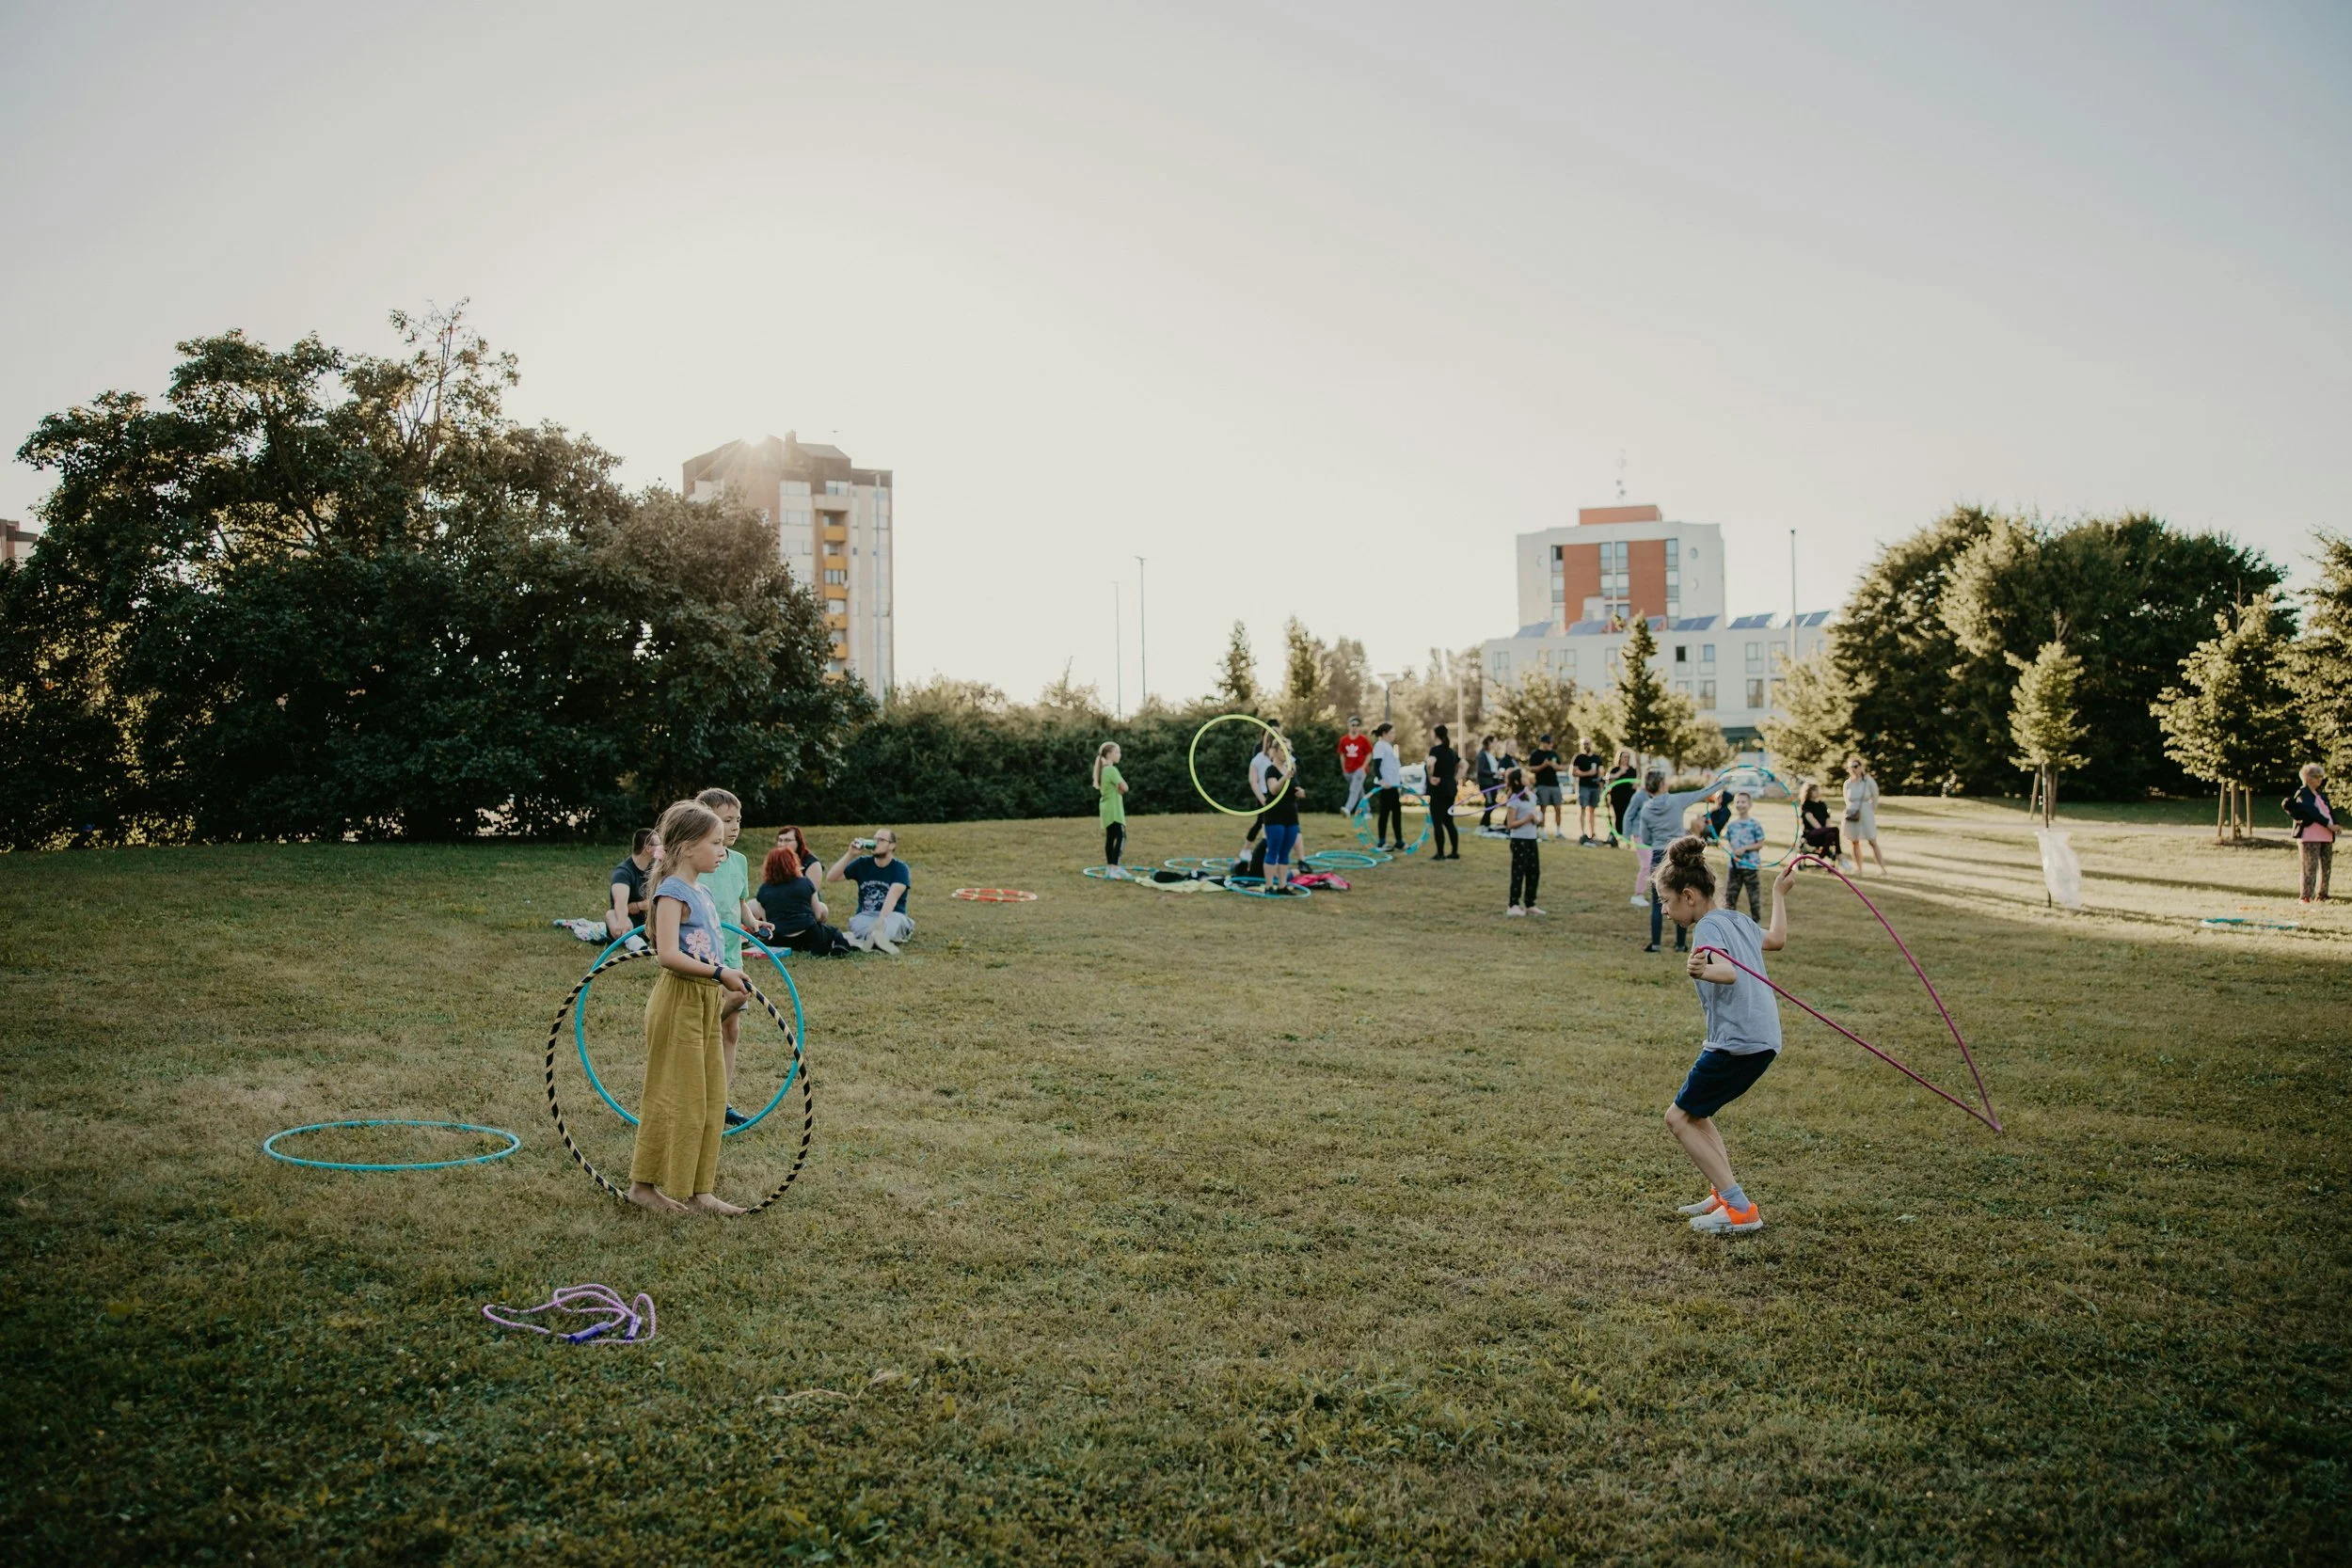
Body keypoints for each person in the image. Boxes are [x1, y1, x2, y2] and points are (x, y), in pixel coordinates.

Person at [1657, 836, 1798, 1237]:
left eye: (1666, 902)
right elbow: (1776, 940)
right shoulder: (1736, 919)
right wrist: (1777, 893)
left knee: (1678, 1118)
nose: (1665, 911)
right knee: (1697, 1113)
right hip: (1760, 1037)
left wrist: (1704, 971)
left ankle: (1739, 1208)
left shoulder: (1708, 928)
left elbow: (1728, 971)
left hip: (1737, 1042)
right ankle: (1723, 1193)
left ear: (1688, 895)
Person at [628, 799, 752, 1217]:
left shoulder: (700, 890)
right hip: (678, 999)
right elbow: (667, 955)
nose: (723, 850)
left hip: (703, 1000)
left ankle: (701, 1191)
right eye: (715, 842)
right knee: (673, 1097)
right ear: (684, 847)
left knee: (710, 1098)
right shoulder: (672, 893)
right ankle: (643, 1187)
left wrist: (725, 979)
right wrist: (719, 974)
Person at [695, 788, 771, 1126]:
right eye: (727, 820)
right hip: (702, 953)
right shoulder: (698, 861)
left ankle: (720, 1101)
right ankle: (697, 1035)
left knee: (732, 1030)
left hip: (732, 951)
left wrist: (754, 925)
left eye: (737, 820)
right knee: (731, 1001)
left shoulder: (738, 861)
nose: (734, 826)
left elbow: (741, 903)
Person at [1630, 768, 1722, 953]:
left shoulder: (1646, 809)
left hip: (1658, 856)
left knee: (1658, 903)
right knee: (1682, 898)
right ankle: (1681, 945)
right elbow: (1703, 793)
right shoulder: (1676, 800)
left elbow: (1646, 839)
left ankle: (1655, 944)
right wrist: (1723, 782)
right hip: (1679, 856)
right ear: (1663, 784)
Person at [553, 829, 654, 951]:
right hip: (627, 921)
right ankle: (634, 942)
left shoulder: (655, 869)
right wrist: (640, 907)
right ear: (648, 848)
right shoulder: (623, 873)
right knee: (611, 915)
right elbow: (620, 905)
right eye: (659, 844)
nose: (662, 848)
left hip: (650, 919)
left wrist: (639, 906)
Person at [755, 838, 854, 957]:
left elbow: (767, 921)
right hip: (809, 935)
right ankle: (840, 947)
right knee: (834, 932)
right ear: (793, 862)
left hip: (779, 939)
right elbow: (818, 915)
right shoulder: (805, 883)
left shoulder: (763, 890)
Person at [828, 829, 914, 952]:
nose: (876, 842)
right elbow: (831, 877)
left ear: (892, 845)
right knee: (858, 922)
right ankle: (877, 941)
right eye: (874, 839)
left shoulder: (900, 868)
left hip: (891, 914)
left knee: (893, 922)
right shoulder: (862, 863)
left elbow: (892, 897)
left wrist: (881, 921)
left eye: (881, 840)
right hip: (866, 915)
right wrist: (850, 854)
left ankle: (868, 940)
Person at [1258, 741, 1308, 892]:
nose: (1288, 752)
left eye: (1290, 749)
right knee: (1273, 849)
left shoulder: (1290, 770)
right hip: (1275, 815)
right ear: (1275, 750)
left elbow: (1298, 790)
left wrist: (1301, 793)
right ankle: (1268, 886)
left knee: (1285, 851)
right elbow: (1273, 790)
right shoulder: (1271, 770)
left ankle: (1282, 885)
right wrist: (1285, 777)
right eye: (1285, 749)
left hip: (1291, 814)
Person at [2288, 761, 2336, 904]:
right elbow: (2312, 811)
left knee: (2326, 866)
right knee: (2309, 866)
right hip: (2310, 836)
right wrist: (2328, 824)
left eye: (2321, 777)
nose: (2320, 779)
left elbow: (2329, 811)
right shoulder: (2303, 794)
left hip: (2326, 836)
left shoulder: (2321, 795)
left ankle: (2323, 894)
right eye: (2317, 776)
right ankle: (2306, 896)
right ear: (2308, 778)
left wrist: (2336, 823)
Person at [1502, 767, 1543, 915]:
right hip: (1519, 840)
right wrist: (1527, 819)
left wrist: (1537, 819)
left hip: (1532, 839)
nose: (1528, 777)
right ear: (1518, 781)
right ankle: (1513, 905)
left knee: (1534, 872)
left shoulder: (1531, 796)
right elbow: (1510, 824)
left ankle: (1529, 904)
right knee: (1518, 872)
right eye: (1524, 776)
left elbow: (1536, 815)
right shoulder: (1513, 799)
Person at [1722, 791, 1766, 918]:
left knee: (1754, 898)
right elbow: (1727, 842)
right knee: (1730, 898)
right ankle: (1730, 924)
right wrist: (1731, 850)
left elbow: (1761, 843)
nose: (1740, 805)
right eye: (1737, 802)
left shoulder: (1754, 824)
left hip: (1750, 866)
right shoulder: (1731, 825)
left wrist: (1745, 848)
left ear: (1750, 804)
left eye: (1743, 802)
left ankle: (1756, 925)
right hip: (1734, 867)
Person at [1841, 755, 1886, 874]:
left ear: (1861, 767)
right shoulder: (1848, 783)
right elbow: (1846, 798)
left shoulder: (1868, 781)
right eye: (1851, 767)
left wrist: (1870, 809)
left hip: (1865, 811)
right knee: (1854, 841)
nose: (1854, 769)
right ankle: (1859, 868)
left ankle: (1882, 868)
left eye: (1856, 766)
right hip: (1852, 812)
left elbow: (1875, 796)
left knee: (1872, 840)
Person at [1425, 723, 1463, 861]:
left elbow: (1430, 764)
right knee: (1449, 821)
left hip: (1439, 788)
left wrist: (1431, 777)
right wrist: (1454, 779)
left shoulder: (1435, 750)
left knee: (1437, 822)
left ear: (1435, 735)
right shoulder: (1451, 751)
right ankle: (1454, 852)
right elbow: (1464, 765)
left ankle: (1440, 853)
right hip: (1450, 788)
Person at [1369, 722, 1406, 852]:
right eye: (1391, 733)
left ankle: (1399, 841)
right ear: (1384, 734)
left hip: (1393, 785)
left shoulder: (1388, 746)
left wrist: (1398, 781)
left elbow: (1392, 767)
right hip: (1385, 786)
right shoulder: (1380, 746)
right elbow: (1376, 766)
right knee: (1385, 813)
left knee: (1396, 812)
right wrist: (1382, 781)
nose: (1394, 735)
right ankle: (1382, 842)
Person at [1094, 741, 1129, 868]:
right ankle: (1115, 867)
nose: (1119, 755)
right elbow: (1125, 787)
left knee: (1110, 838)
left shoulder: (1103, 770)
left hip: (1106, 809)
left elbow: (1118, 788)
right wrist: (1120, 788)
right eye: (1117, 752)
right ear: (1109, 754)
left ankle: (1110, 868)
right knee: (1121, 837)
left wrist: (1118, 788)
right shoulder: (1112, 770)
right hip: (1114, 810)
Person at [1528, 734, 1564, 840]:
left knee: (1558, 808)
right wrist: (1543, 765)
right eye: (1548, 743)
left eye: (1551, 743)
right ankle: (1542, 831)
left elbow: (1561, 767)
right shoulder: (1536, 754)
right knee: (1543, 808)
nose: (1550, 745)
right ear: (1542, 743)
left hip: (1554, 784)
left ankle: (1558, 831)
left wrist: (1553, 765)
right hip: (1542, 785)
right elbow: (1531, 768)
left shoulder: (1554, 754)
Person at [1571, 739, 1605, 845]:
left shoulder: (1596, 758)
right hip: (1584, 787)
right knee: (1582, 808)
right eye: (1584, 744)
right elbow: (1574, 772)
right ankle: (1582, 833)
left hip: (1595, 787)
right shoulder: (1579, 758)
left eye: (1588, 744)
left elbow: (1600, 773)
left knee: (1592, 810)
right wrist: (1588, 773)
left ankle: (1592, 833)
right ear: (1581, 746)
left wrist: (1602, 787)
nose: (1586, 746)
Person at [1605, 750, 1640, 849]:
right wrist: (1619, 773)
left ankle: (1628, 839)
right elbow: (1609, 780)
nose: (1626, 759)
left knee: (1629, 817)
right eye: (1625, 757)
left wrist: (1635, 786)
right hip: (1617, 797)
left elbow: (1635, 783)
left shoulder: (1632, 770)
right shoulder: (1614, 769)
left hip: (1629, 797)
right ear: (1619, 758)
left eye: (1628, 757)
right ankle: (1619, 838)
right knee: (1619, 817)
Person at [1338, 718, 1374, 815]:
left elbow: (1369, 754)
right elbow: (1342, 755)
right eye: (1353, 725)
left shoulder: (1363, 740)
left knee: (1354, 790)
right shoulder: (1343, 740)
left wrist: (1363, 767)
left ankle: (1348, 809)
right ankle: (1367, 812)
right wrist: (1344, 769)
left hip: (1360, 770)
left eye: (1357, 725)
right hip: (1348, 771)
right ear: (1349, 726)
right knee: (1359, 791)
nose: (1355, 727)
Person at [1799, 781, 1842, 860]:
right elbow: (1811, 819)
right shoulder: (1806, 805)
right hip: (1812, 834)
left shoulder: (1822, 804)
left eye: (1818, 790)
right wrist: (1823, 830)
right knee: (1835, 829)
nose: (1817, 792)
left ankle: (1822, 854)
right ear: (1809, 791)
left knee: (1831, 834)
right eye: (1815, 790)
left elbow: (1827, 818)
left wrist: (1826, 830)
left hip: (1824, 834)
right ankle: (1839, 853)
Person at [1474, 736, 1503, 829]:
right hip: (1486, 784)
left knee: (1492, 803)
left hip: (1493, 783)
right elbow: (1481, 770)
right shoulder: (1482, 755)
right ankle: (1484, 824)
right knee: (1490, 803)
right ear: (1489, 742)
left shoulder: (1491, 755)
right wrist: (1494, 773)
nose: (1495, 744)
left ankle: (1486, 824)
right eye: (1494, 742)